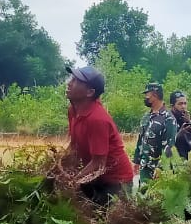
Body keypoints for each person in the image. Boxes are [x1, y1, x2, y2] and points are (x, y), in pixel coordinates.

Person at [60, 63, 134, 204]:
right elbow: (74, 147)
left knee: (108, 222)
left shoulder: (97, 119)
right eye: (71, 78)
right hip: (97, 177)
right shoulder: (73, 110)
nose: (69, 83)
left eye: (76, 81)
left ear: (90, 92)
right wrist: (60, 169)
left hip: (117, 182)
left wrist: (74, 182)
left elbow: (99, 164)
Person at [132, 82, 176, 185]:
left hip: (158, 171)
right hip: (144, 167)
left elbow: (170, 146)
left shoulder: (168, 119)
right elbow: (141, 140)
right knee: (142, 197)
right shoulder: (146, 117)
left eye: (147, 95)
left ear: (155, 95)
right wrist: (136, 160)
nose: (145, 98)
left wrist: (161, 168)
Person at [168, 90, 191, 159]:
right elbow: (166, 144)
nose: (183, 106)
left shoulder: (184, 118)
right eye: (180, 104)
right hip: (171, 159)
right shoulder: (168, 119)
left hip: (185, 158)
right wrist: (180, 133)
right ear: (172, 106)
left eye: (185, 103)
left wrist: (189, 122)